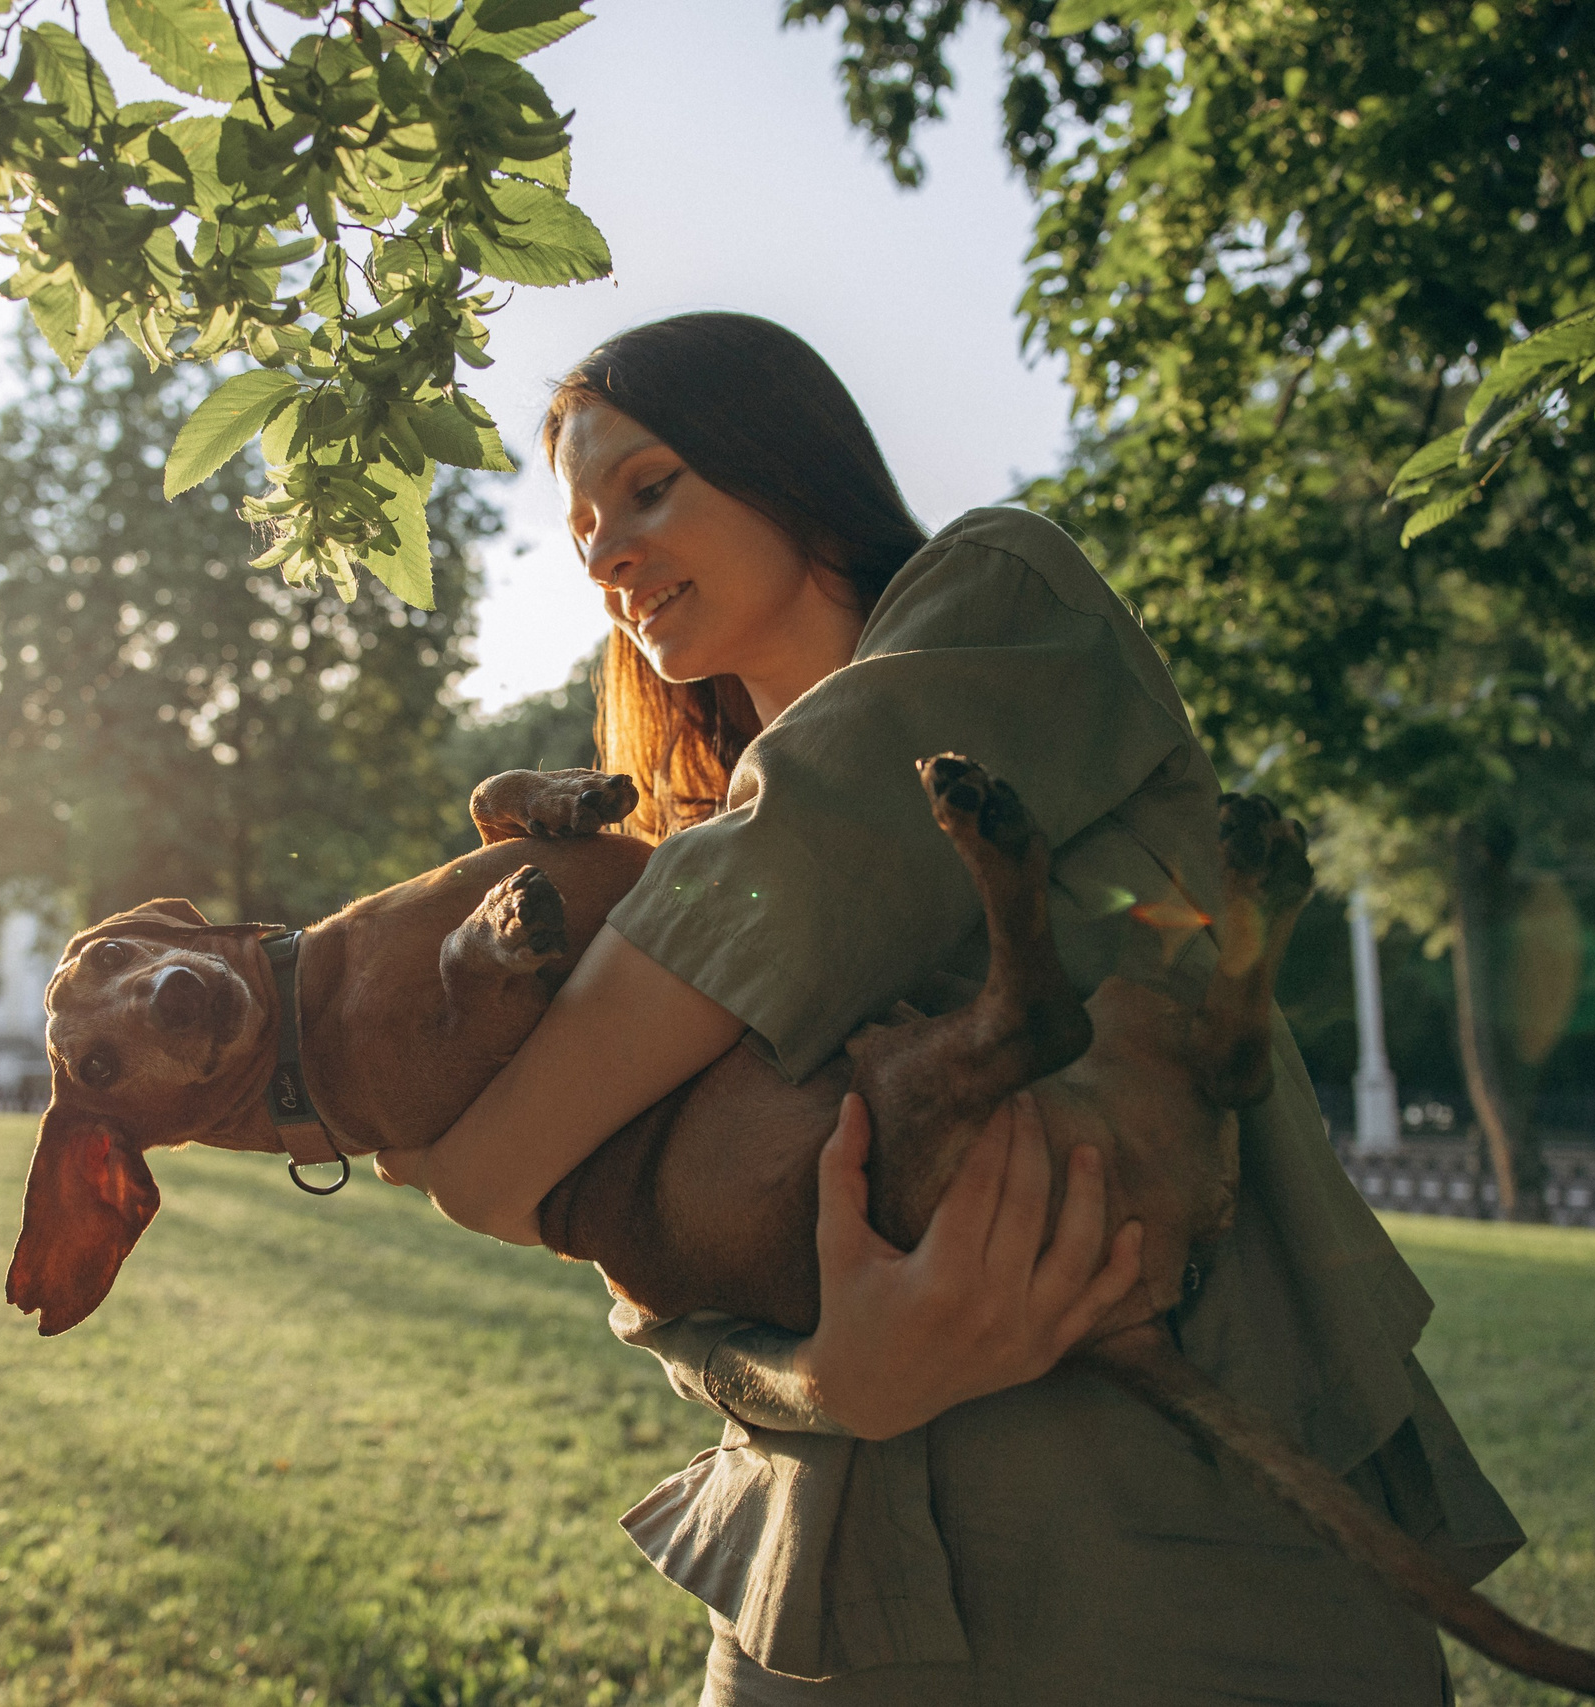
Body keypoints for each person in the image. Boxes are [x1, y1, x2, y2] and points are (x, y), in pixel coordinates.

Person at [375, 313, 1522, 1705]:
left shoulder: (1008, 603)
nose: (608, 549)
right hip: (833, 1588)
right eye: (583, 532)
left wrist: (482, 1162)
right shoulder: (672, 863)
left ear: (787, 460)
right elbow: (655, 1258)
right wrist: (834, 1381)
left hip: (1183, 1550)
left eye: (653, 484)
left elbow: (808, 853)